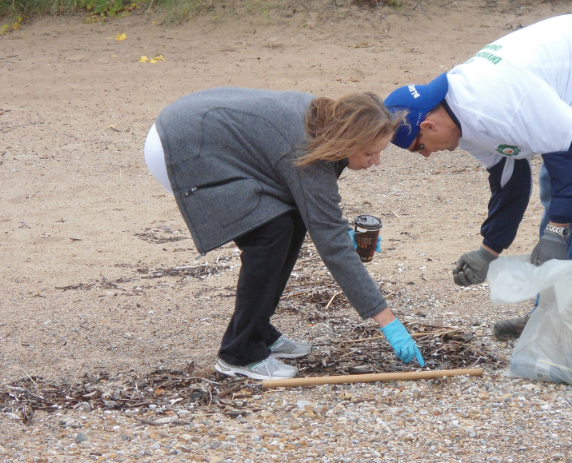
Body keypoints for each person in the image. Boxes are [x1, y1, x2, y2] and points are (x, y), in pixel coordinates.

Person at [384, 13, 572, 340]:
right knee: (556, 189)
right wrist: (489, 251)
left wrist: (557, 232)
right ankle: (554, 317)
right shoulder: (462, 121)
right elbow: (511, 182)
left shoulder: (493, 106)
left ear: (428, 127)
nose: (427, 155)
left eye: (420, 148)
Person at [144, 88, 424, 380]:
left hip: (201, 125)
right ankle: (239, 354)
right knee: (271, 232)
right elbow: (331, 244)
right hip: (182, 143)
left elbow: (318, 209)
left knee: (291, 218)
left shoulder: (325, 126)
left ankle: (257, 328)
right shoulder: (307, 150)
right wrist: (387, 320)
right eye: (369, 152)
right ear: (347, 140)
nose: (376, 161)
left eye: (380, 151)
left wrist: (343, 233)